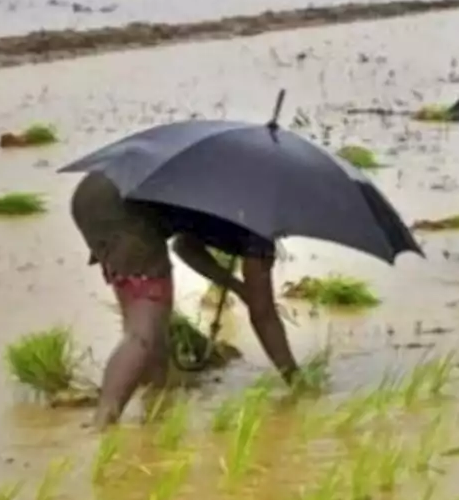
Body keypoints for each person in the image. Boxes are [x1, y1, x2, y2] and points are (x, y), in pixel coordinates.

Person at [70, 171, 298, 429]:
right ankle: (103, 420)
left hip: (94, 193)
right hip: (124, 212)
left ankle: (155, 409)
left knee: (152, 329)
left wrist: (234, 285)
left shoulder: (241, 191)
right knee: (141, 333)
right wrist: (296, 379)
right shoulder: (261, 225)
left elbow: (184, 246)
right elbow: (263, 312)